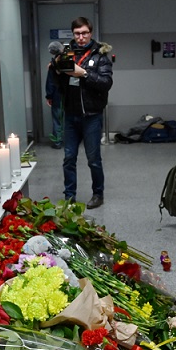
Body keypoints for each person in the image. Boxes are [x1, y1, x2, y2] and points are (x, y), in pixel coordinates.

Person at [55, 17, 113, 209]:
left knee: (93, 159)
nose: (81, 37)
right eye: (77, 34)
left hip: (92, 115)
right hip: (71, 115)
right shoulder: (67, 52)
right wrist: (56, 69)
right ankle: (69, 195)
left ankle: (98, 194)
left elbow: (106, 83)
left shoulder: (100, 54)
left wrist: (84, 74)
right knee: (69, 158)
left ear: (91, 33)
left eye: (85, 33)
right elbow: (59, 81)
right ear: (73, 34)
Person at [45, 47, 63, 149]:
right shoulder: (73, 63)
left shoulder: (53, 66)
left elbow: (50, 82)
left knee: (57, 120)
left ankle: (57, 142)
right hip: (71, 96)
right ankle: (72, 141)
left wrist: (49, 96)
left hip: (57, 95)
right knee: (71, 120)